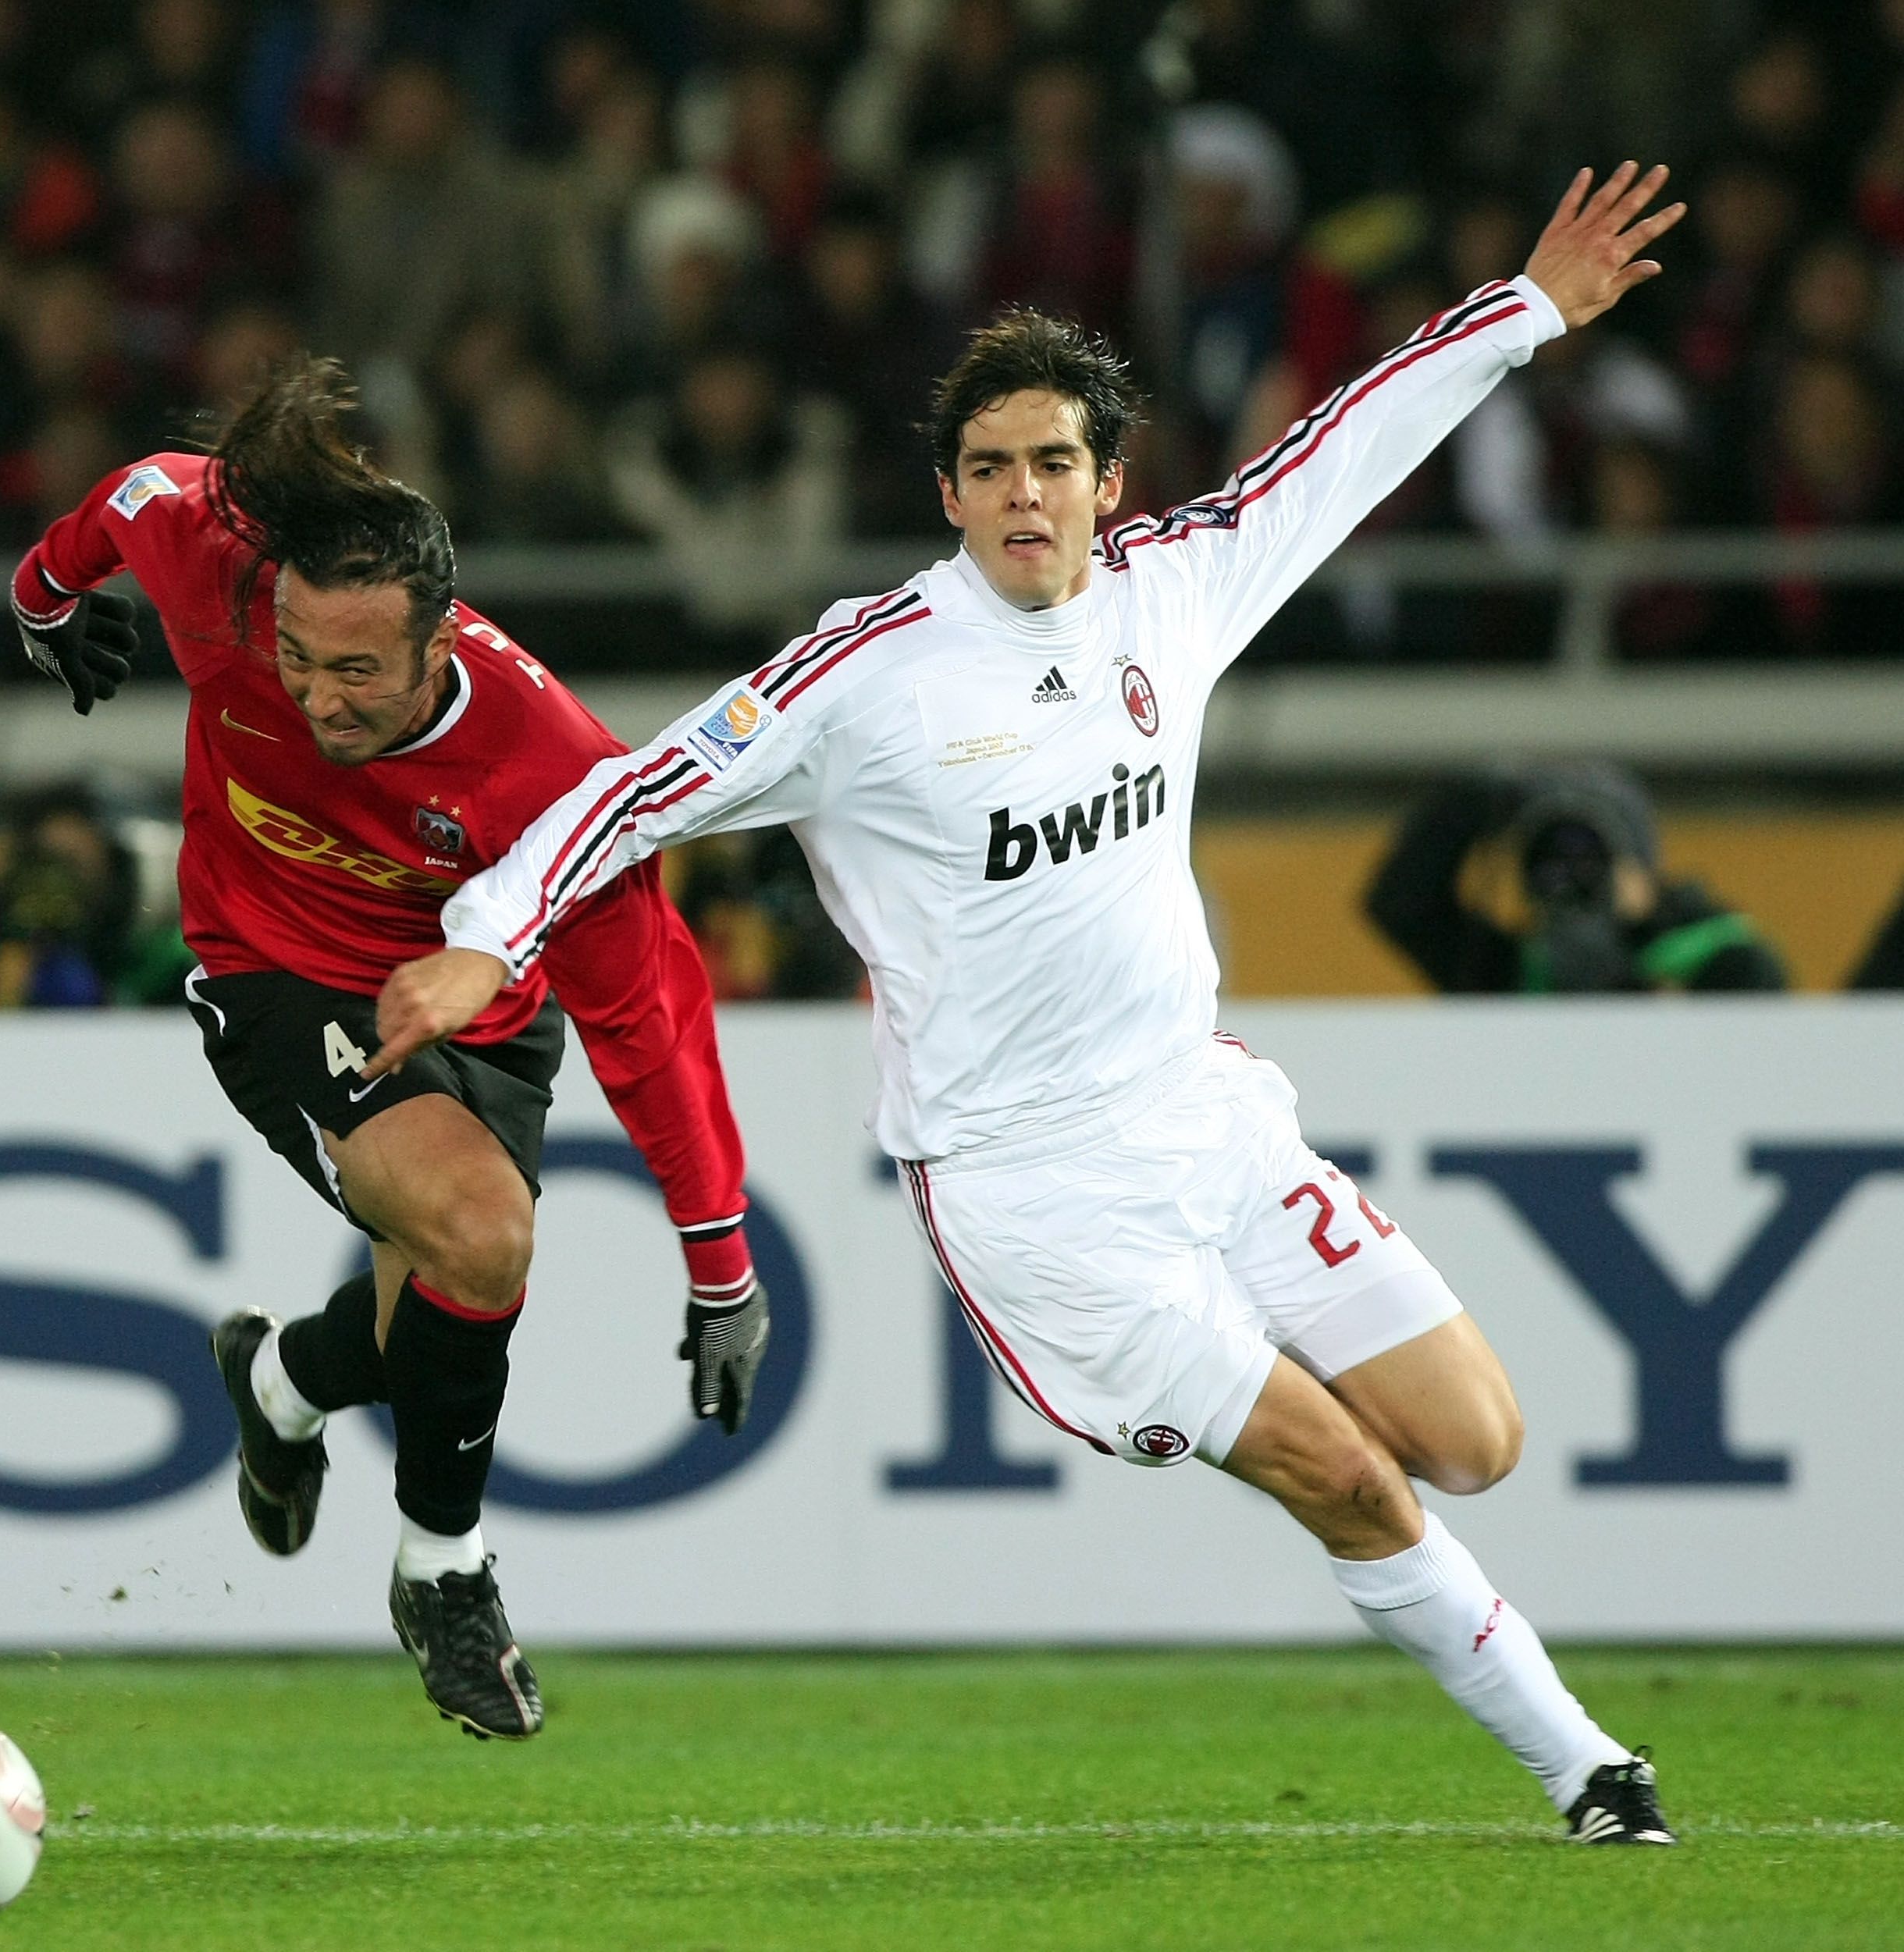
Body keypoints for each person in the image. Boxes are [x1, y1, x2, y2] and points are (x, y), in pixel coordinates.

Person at [373, 163, 1690, 1842]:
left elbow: (1347, 447)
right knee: (1347, 1473)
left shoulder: (1179, 586)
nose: (1024, 492)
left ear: (1103, 480)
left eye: (1053, 461)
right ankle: (1591, 1766)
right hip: (1030, 1186)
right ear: (948, 491)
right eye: (988, 466)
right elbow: (643, 789)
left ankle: (1509, 1667)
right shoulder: (861, 676)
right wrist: (494, 927)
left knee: (1473, 1438)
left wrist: (1525, 310)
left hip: (1206, 1114)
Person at [8, 359, 767, 1741]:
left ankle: (281, 1382)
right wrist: (43, 593)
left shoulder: (551, 777)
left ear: (443, 641)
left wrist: (721, 1265)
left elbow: (652, 1019)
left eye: (357, 670)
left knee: (431, 1305)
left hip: (483, 1009)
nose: (317, 696)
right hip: (272, 972)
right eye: (299, 658)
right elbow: (140, 493)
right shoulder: (227, 584)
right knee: (484, 1236)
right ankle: (445, 1570)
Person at [1365, 763, 1787, 994]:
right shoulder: (1513, 972)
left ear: (1639, 864)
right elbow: (1401, 906)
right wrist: (1472, 803)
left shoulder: (1723, 960)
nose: (1566, 872)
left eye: (1590, 856)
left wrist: (1640, 942)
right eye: (1546, 856)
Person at [0, 779, 194, 1009]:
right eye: (48, 863)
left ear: (105, 849)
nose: (62, 880)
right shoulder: (20, 925)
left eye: (72, 860)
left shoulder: (159, 940)